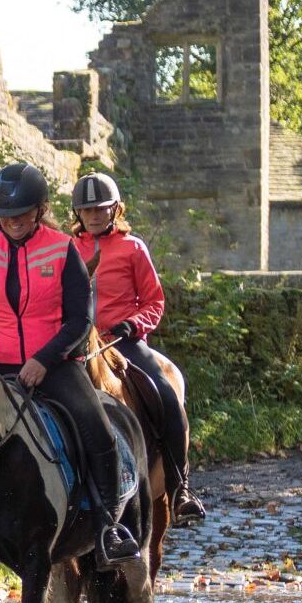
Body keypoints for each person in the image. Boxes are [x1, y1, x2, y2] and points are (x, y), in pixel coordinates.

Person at [0, 161, 138, 563]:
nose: (14, 222)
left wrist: (44, 359)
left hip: (55, 365)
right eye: (5, 216)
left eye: (21, 213)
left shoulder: (62, 250)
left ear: (40, 210)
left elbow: (80, 320)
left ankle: (109, 525)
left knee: (97, 428)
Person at [69, 172, 206, 525]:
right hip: (77, 340)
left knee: (165, 395)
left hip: (123, 341)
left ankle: (180, 487)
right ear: (78, 214)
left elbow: (154, 301)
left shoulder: (133, 248)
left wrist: (134, 324)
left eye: (101, 209)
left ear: (115, 209)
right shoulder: (67, 250)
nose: (94, 216)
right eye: (88, 210)